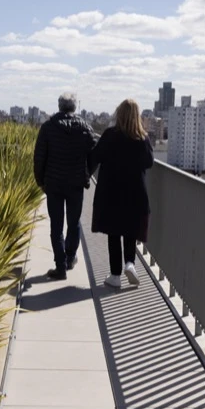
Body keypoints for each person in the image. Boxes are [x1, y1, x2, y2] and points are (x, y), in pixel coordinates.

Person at [89, 98, 154, 289]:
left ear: (119, 114)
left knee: (114, 233)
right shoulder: (142, 138)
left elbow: (96, 156)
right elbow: (149, 162)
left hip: (111, 192)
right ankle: (130, 264)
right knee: (130, 231)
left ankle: (115, 275)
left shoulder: (110, 135)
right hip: (135, 193)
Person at [34, 93, 97, 281]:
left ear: (59, 106)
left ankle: (60, 267)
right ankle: (70, 258)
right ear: (74, 107)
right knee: (74, 221)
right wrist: (87, 173)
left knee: (56, 225)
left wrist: (40, 181)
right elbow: (95, 152)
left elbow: (39, 157)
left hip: (53, 183)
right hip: (76, 183)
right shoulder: (85, 128)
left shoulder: (48, 127)